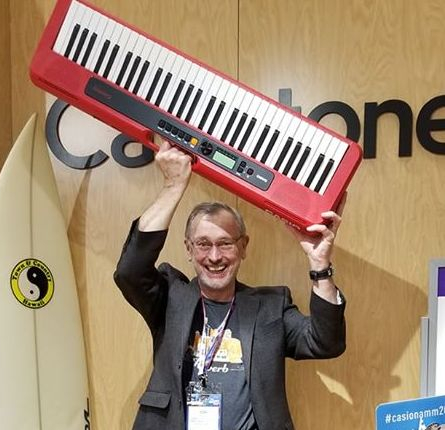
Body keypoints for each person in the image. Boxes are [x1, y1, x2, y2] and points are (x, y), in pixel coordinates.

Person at [114, 138, 347, 430]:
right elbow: (129, 271)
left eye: (225, 244)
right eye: (203, 244)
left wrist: (320, 265)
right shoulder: (170, 298)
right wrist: (173, 187)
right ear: (188, 249)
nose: (214, 256)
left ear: (243, 247)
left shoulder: (271, 307)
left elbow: (326, 342)